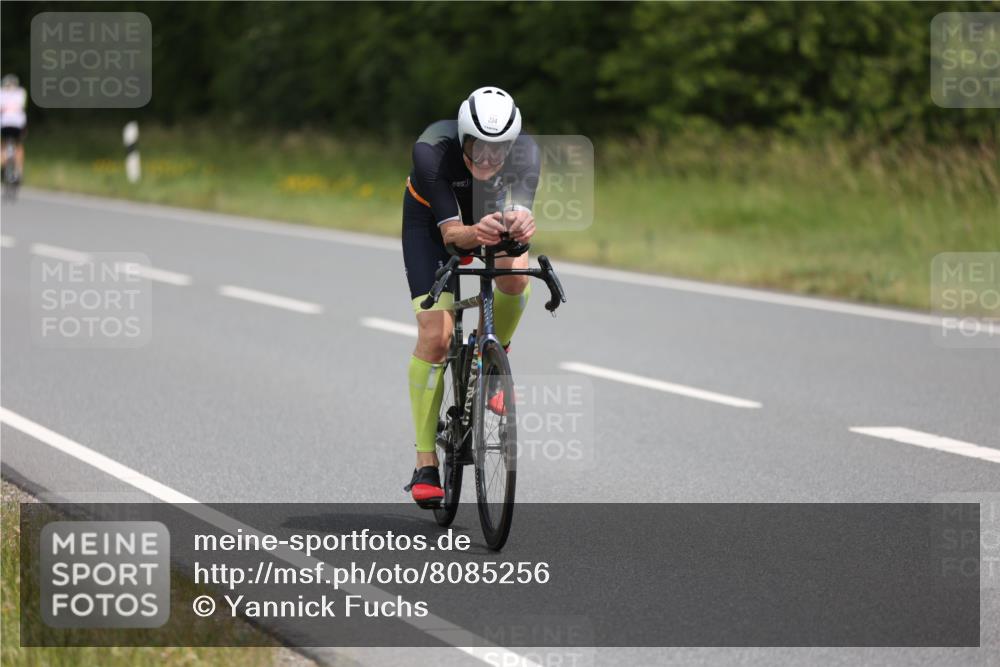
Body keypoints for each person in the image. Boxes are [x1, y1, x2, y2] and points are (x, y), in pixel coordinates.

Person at [402, 86, 541, 506]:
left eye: (498, 149)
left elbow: (519, 214)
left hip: (487, 213)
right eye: (477, 146)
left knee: (515, 277)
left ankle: (492, 359)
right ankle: (425, 462)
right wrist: (474, 234)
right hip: (431, 223)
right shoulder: (431, 151)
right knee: (436, 337)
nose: (487, 157)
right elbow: (452, 235)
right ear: (463, 136)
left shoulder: (527, 152)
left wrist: (519, 223)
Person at [0, 74, 27, 182]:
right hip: (18, 124)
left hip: (5, 124)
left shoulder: (1, 92)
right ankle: (19, 171)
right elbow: (22, 108)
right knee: (19, 146)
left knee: (3, 145)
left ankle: (3, 167)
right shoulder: (21, 92)